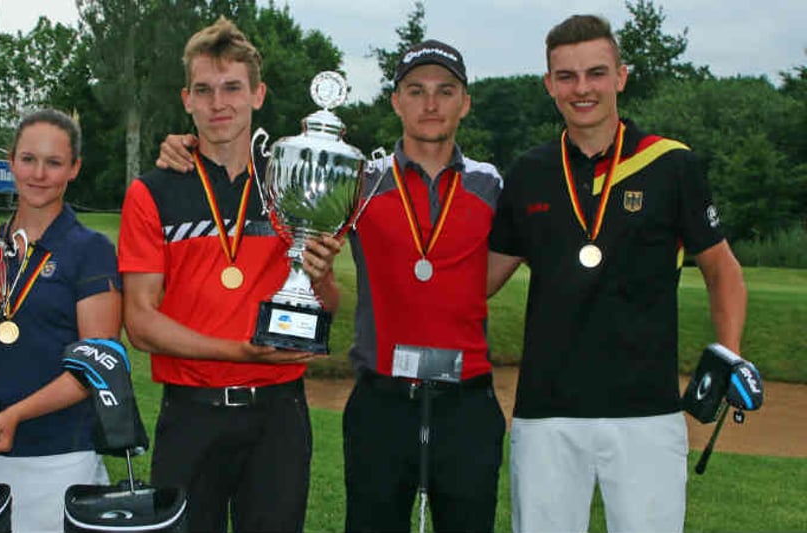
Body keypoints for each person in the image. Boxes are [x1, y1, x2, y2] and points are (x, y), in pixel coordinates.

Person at [157, 39, 506, 532]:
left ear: (465, 102)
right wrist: (184, 143)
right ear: (395, 101)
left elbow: (496, 270)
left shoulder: (493, 186)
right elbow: (284, 196)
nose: (431, 104)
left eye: (445, 91)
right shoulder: (360, 181)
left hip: (467, 402)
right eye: (415, 90)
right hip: (380, 401)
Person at [487, 15, 757, 532]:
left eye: (595, 73)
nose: (581, 88)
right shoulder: (529, 171)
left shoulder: (671, 164)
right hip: (547, 414)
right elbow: (484, 277)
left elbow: (722, 269)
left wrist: (730, 353)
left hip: (646, 413)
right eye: (566, 76)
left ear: (621, 76)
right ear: (548, 84)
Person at [119, 17, 331, 533]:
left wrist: (320, 277)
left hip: (278, 416)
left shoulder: (293, 184)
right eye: (205, 90)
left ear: (257, 94)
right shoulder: (152, 191)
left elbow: (325, 306)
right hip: (191, 413)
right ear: (186, 99)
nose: (219, 104)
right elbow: (141, 323)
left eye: (233, 88)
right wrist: (238, 352)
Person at [0, 109, 123, 532]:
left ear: (74, 169)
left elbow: (96, 365)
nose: (39, 173)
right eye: (29, 159)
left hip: (60, 455)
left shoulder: (92, 250)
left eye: (54, 162)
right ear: (11, 160)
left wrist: (15, 414)